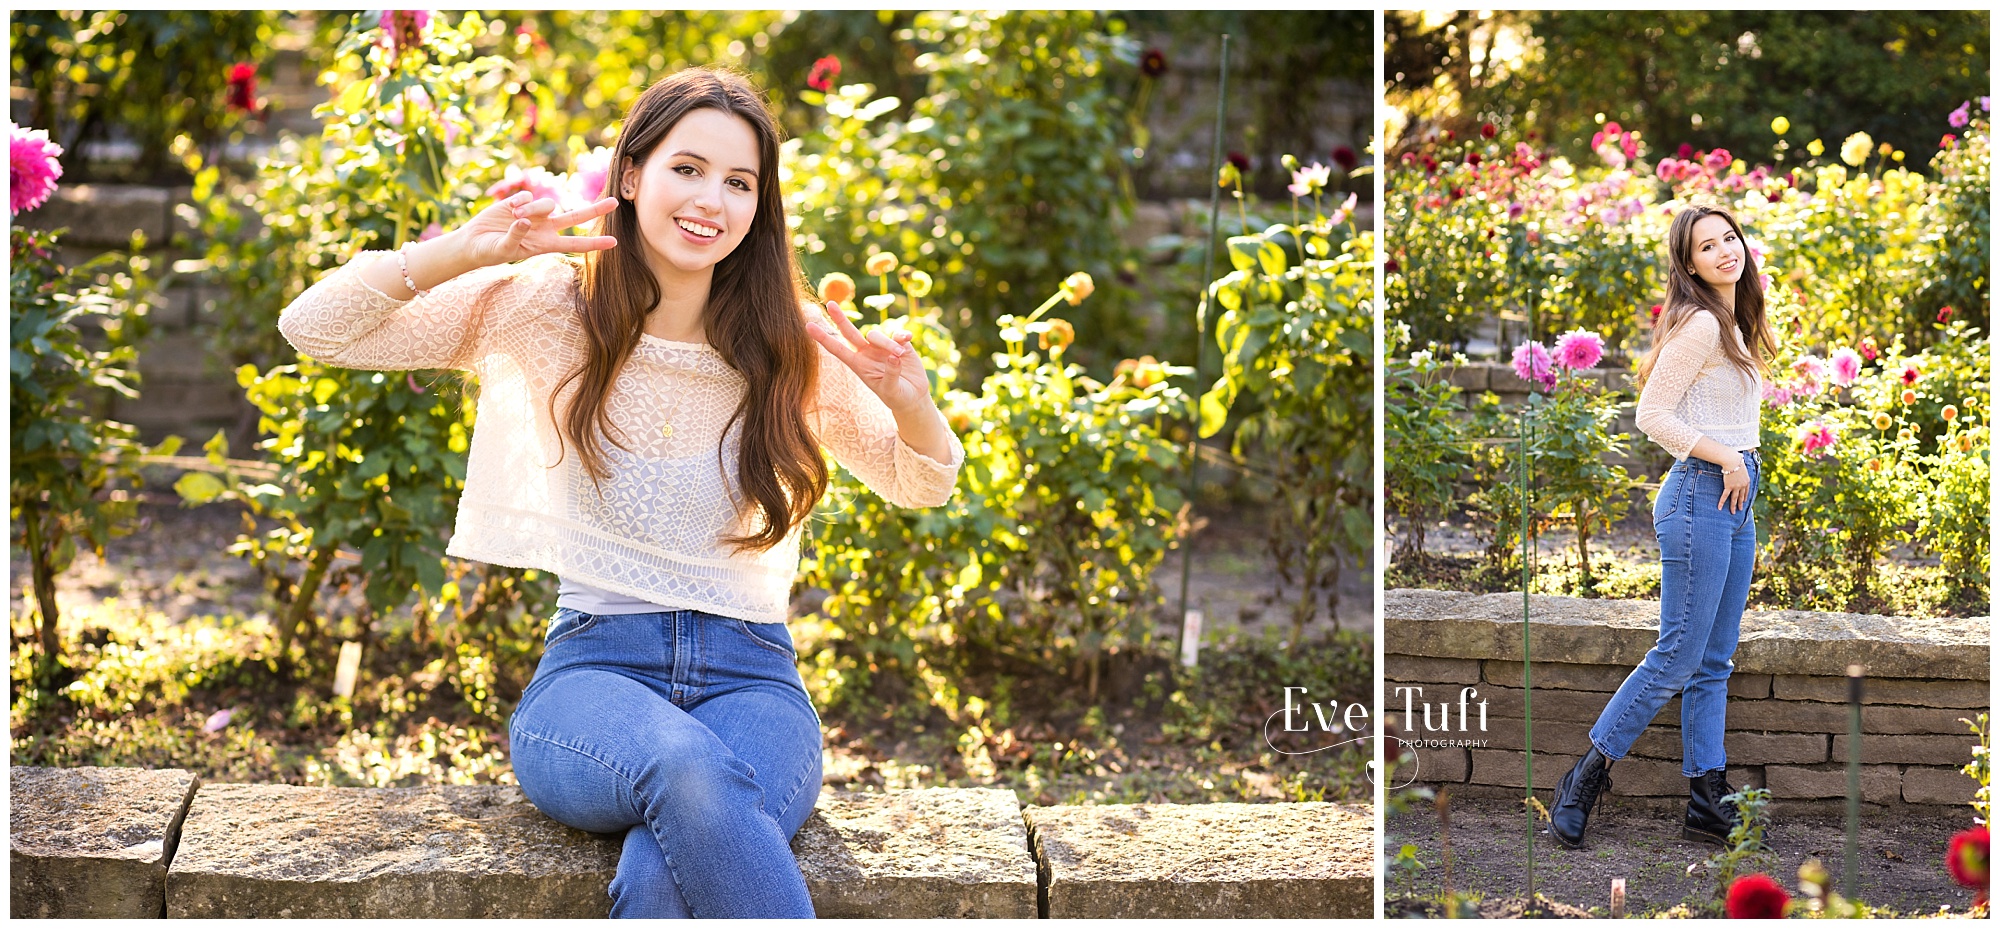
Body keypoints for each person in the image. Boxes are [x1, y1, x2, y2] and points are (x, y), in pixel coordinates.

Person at [276, 68, 964, 917]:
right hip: (593, 673)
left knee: (656, 875)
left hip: (756, 681)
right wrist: (464, 249)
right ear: (631, 175)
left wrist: (913, 406)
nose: (711, 198)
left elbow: (917, 479)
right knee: (686, 765)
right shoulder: (545, 311)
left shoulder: (788, 344)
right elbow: (314, 328)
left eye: (739, 182)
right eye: (688, 167)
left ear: (760, 207)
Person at [1546, 204, 1776, 850]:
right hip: (1702, 491)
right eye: (1708, 246)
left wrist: (1740, 461)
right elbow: (1652, 414)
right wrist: (1727, 456)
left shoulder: (1735, 320)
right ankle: (1583, 777)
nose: (1726, 251)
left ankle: (1707, 798)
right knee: (1677, 651)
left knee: (1713, 660)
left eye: (1730, 237)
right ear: (1690, 264)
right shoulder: (1702, 324)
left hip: (1734, 496)